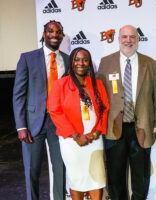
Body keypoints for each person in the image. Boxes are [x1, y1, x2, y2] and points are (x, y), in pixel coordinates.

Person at [96, 25, 156, 200]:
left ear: (138, 40)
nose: (128, 40)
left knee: (141, 177)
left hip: (141, 126)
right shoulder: (105, 62)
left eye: (132, 37)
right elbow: (99, 97)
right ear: (118, 39)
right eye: (124, 37)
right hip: (114, 128)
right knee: (115, 176)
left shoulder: (151, 64)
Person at [13, 20, 68, 200]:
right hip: (32, 123)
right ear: (44, 34)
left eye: (58, 32)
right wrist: (21, 126)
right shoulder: (27, 58)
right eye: (51, 31)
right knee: (32, 170)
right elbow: (19, 94)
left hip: (58, 124)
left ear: (62, 35)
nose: (54, 35)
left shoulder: (67, 61)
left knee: (60, 167)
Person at [49, 47, 109, 200]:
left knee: (97, 178)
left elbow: (104, 109)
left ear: (89, 63)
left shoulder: (97, 84)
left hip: (94, 139)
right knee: (77, 180)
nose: (80, 63)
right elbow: (55, 111)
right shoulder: (60, 84)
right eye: (77, 59)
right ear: (71, 62)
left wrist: (97, 131)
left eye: (85, 59)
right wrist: (76, 136)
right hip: (71, 141)